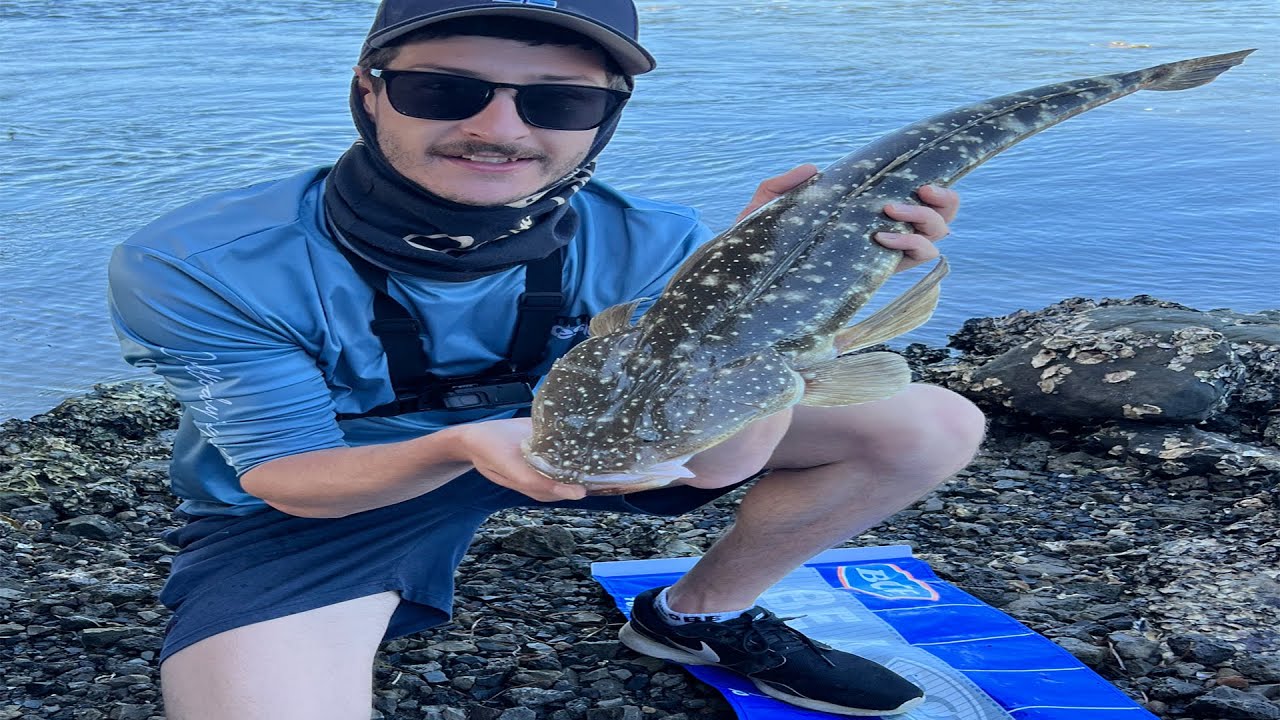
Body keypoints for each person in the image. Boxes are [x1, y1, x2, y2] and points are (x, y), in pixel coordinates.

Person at [107, 1, 984, 718]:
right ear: (368, 92)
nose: (498, 127)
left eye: (558, 102)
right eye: (442, 89)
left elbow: (713, 463)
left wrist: (766, 292)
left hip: (594, 449)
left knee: (929, 425)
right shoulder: (200, 262)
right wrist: (457, 446)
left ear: (605, 117)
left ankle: (695, 618)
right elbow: (286, 474)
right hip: (332, 498)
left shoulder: (654, 240)